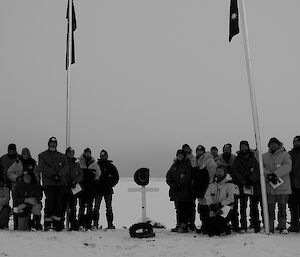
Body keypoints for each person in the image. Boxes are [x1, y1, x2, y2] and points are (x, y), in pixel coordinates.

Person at [38, 137, 69, 231]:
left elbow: (66, 166)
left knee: (58, 202)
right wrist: (53, 174)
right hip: (49, 183)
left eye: (54, 143)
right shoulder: (42, 155)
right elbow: (42, 167)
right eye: (51, 143)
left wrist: (59, 174)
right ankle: (47, 223)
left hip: (60, 183)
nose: (53, 145)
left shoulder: (62, 156)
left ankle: (57, 223)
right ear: (48, 144)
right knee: (50, 201)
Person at [263, 137, 292, 234]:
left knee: (282, 208)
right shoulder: (264, 156)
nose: (273, 145)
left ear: (279, 144)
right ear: (269, 145)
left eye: (275, 143)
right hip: (270, 188)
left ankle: (282, 226)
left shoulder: (285, 154)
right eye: (271, 144)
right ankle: (270, 226)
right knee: (270, 209)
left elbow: (288, 166)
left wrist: (275, 174)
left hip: (283, 188)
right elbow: (260, 167)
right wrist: (268, 174)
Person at [231, 141, 261, 233]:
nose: (243, 148)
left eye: (245, 146)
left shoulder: (254, 157)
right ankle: (243, 225)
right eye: (242, 147)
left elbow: (257, 170)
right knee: (242, 207)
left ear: (248, 147)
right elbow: (234, 171)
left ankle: (256, 225)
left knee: (254, 206)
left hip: (253, 185)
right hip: (241, 185)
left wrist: (251, 179)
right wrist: (243, 180)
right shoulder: (237, 158)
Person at [204, 164, 239, 236]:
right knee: (209, 230)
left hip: (226, 208)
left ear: (225, 172)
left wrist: (220, 204)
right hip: (214, 207)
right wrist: (211, 205)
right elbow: (207, 195)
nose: (219, 173)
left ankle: (226, 227)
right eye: (217, 171)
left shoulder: (230, 184)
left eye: (221, 171)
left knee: (220, 227)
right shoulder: (212, 184)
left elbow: (232, 198)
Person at [166, 149, 192, 233]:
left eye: (181, 154)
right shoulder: (174, 165)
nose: (180, 156)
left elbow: (188, 176)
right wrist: (173, 185)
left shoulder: (187, 165)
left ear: (184, 156)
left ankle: (184, 226)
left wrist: (181, 183)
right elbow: (168, 176)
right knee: (178, 209)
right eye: (178, 155)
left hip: (185, 191)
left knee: (185, 209)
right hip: (176, 191)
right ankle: (178, 224)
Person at [93, 149, 119, 230]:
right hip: (98, 190)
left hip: (108, 190)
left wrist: (111, 185)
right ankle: (95, 224)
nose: (103, 157)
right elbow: (92, 177)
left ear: (107, 156)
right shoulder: (96, 165)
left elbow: (116, 177)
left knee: (109, 207)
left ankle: (110, 224)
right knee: (96, 207)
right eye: (101, 155)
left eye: (104, 155)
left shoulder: (111, 166)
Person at [193, 145, 216, 234]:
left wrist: (210, 185)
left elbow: (212, 172)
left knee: (208, 207)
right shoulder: (196, 160)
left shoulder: (209, 160)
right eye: (197, 150)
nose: (199, 152)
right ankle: (203, 225)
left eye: (200, 150)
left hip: (207, 186)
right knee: (201, 207)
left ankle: (209, 226)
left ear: (203, 151)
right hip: (199, 187)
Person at [78, 148, 101, 231]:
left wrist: (95, 180)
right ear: (84, 153)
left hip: (91, 188)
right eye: (86, 153)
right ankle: (80, 223)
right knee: (82, 206)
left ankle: (88, 223)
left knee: (90, 206)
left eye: (89, 153)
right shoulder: (80, 162)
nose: (87, 154)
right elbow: (76, 173)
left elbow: (98, 173)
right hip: (82, 188)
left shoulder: (94, 163)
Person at [63, 147, 83, 231]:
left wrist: (75, 182)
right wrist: (66, 182)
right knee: (63, 207)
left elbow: (80, 175)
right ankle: (60, 224)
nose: (70, 155)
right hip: (64, 187)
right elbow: (62, 173)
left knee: (73, 207)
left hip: (74, 188)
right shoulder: (63, 162)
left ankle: (73, 225)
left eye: (72, 153)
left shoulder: (76, 164)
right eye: (69, 153)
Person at [182, 144, 196, 231]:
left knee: (192, 205)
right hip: (182, 186)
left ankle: (192, 223)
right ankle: (182, 223)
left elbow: (194, 170)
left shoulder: (193, 158)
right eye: (185, 149)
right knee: (181, 206)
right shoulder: (179, 160)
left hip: (191, 185)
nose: (186, 150)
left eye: (188, 149)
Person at [288, 136, 300, 232]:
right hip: (292, 184)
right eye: (294, 141)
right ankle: (294, 223)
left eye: (297, 141)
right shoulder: (290, 154)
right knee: (293, 205)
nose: (295, 143)